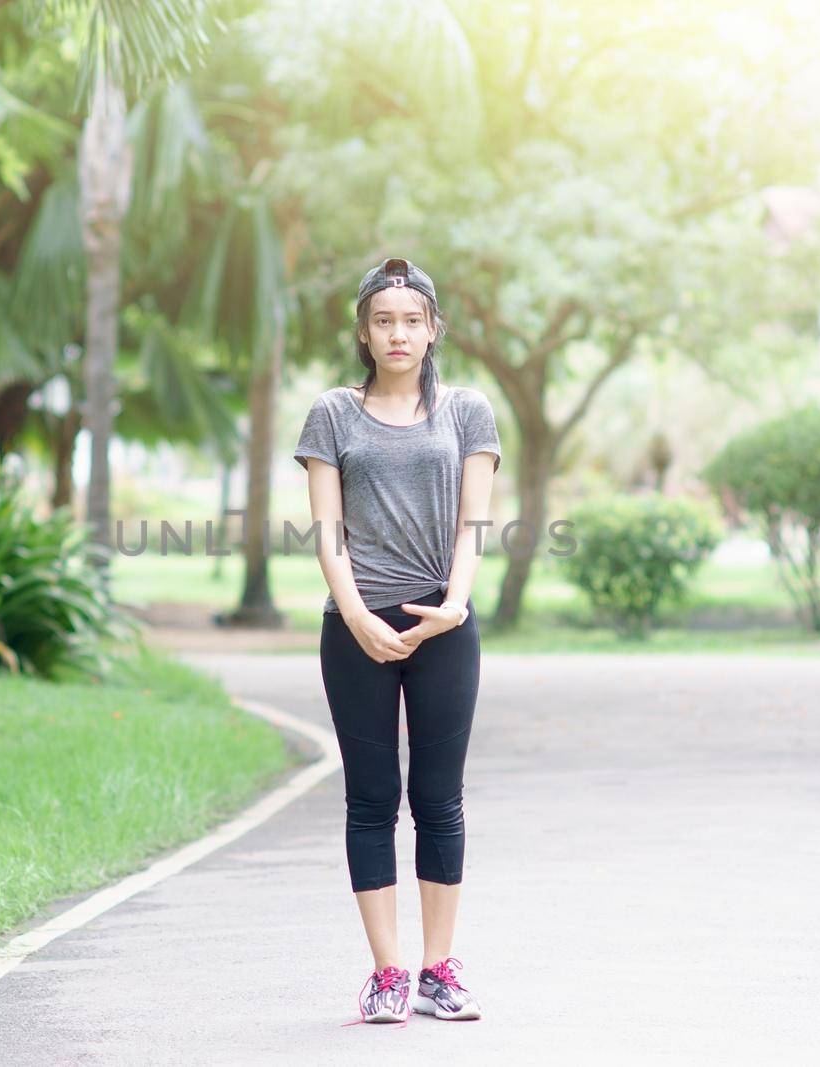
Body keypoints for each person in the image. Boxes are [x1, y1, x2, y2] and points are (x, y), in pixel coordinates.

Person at [292, 256, 502, 1025]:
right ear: (363, 331)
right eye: (384, 319)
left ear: (434, 328)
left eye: (412, 319)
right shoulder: (333, 414)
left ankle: (438, 969)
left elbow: (473, 523)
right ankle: (386, 972)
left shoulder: (468, 410)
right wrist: (354, 615)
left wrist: (455, 603)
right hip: (355, 627)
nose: (399, 332)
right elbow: (327, 531)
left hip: (445, 626)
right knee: (371, 799)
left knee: (438, 799)